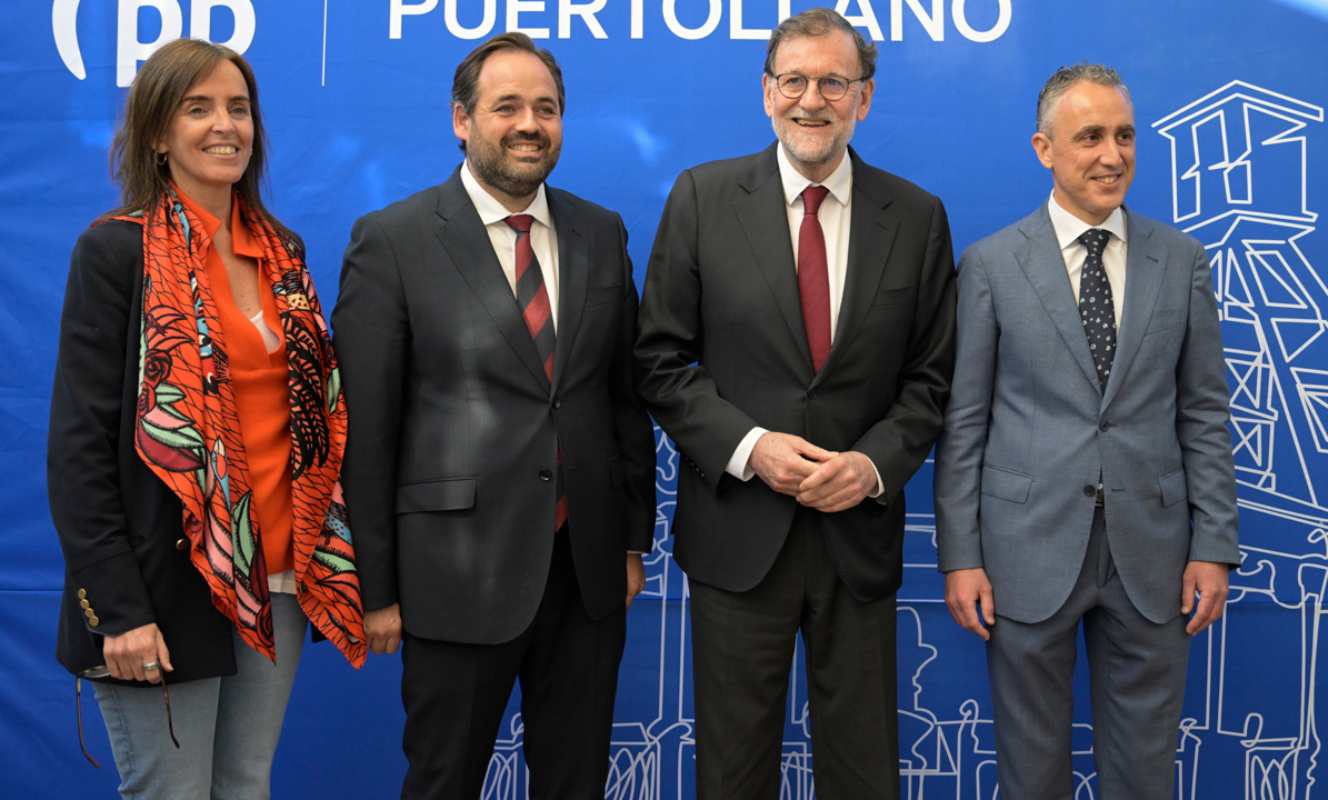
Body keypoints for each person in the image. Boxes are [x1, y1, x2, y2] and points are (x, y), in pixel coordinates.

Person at [634, 8, 956, 798]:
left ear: (864, 99)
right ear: (767, 93)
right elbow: (660, 360)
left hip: (859, 543)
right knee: (734, 773)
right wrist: (752, 448)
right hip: (739, 538)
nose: (813, 99)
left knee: (864, 773)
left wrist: (874, 466)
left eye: (833, 82)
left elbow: (932, 379)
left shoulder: (916, 218)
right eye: (795, 81)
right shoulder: (702, 199)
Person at [332, 32, 656, 799]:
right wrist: (374, 587)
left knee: (575, 782)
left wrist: (632, 538)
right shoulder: (394, 241)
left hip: (585, 573)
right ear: (461, 119)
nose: (529, 124)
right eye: (506, 106)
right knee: (444, 782)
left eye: (546, 108)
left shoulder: (599, 231)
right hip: (453, 578)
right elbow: (366, 432)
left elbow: (623, 398)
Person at [48, 38, 366, 799]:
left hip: (280, 578)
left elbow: (314, 423)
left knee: (245, 786)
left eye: (238, 107)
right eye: (198, 108)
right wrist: (117, 611)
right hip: (164, 586)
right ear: (159, 133)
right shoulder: (115, 253)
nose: (225, 125)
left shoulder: (282, 253)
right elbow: (78, 449)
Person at [933, 63, 1240, 799]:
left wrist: (1214, 545)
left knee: (1145, 771)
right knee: (1030, 770)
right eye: (1091, 136)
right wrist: (961, 556)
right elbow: (964, 420)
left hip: (1155, 556)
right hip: (1023, 552)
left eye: (1126, 135)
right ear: (1045, 149)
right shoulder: (990, 266)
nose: (1113, 155)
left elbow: (1203, 410)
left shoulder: (1183, 261)